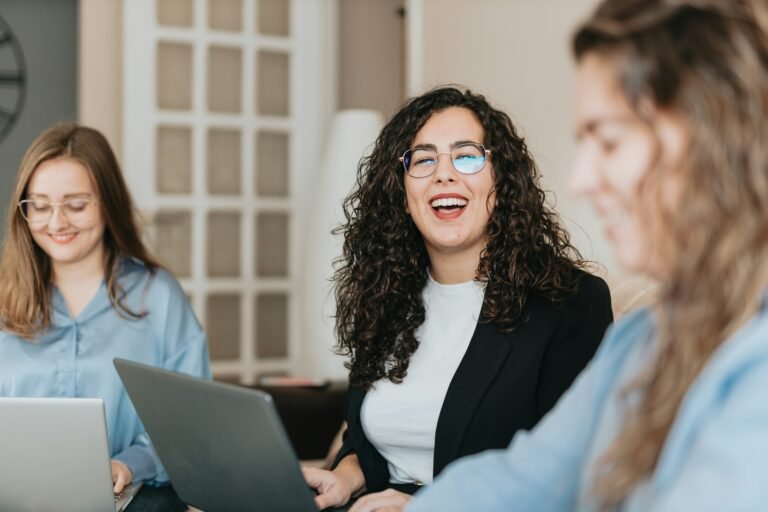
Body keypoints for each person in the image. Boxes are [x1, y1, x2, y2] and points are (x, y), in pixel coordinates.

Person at [399, 1, 768, 511]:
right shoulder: (642, 343)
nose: (580, 180)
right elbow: (522, 480)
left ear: (713, 141)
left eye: (610, 142)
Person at [302, 86, 613, 511]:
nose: (444, 174)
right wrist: (344, 476)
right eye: (424, 159)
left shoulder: (570, 303)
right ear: (402, 194)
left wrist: (424, 506)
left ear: (500, 183)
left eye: (467, 156)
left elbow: (569, 476)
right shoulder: (385, 298)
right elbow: (369, 443)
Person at [0, 124, 210, 502]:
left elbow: (191, 423)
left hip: (135, 499)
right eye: (41, 206)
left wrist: (131, 463)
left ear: (108, 202)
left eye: (76, 205)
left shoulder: (156, 295)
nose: (57, 222)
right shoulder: (3, 298)